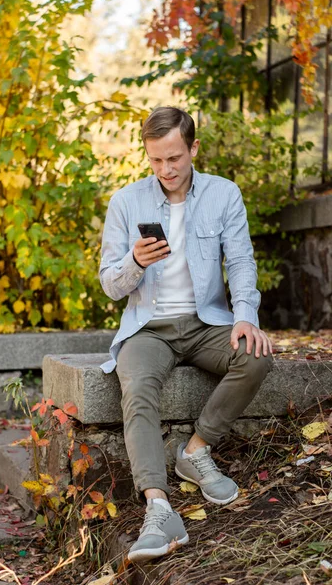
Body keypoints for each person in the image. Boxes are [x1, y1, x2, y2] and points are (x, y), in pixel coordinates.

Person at [99, 106, 273, 563]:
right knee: (135, 387)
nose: (166, 169)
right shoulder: (125, 202)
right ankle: (158, 508)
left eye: (174, 158)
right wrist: (135, 262)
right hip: (148, 328)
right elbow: (109, 285)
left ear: (193, 148)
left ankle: (195, 451)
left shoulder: (223, 194)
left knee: (256, 355)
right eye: (156, 160)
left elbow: (240, 261)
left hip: (207, 322)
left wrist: (245, 315)